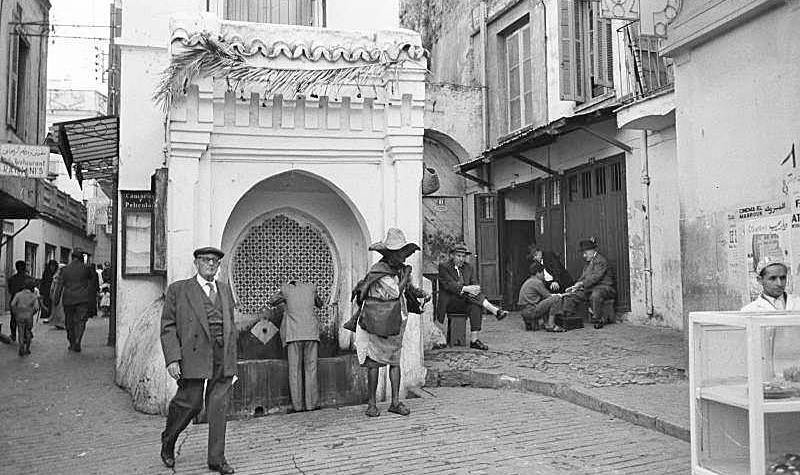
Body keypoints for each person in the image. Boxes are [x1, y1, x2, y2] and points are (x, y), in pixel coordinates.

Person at [160, 246, 236, 474]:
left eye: (215, 261)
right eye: (206, 260)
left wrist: (233, 359)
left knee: (218, 407)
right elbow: (168, 327)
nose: (211, 264)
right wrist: (172, 359)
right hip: (193, 354)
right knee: (190, 403)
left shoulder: (225, 290)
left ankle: (216, 459)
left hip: (222, 355)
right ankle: (169, 439)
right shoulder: (179, 290)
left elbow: (231, 325)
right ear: (196, 263)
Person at [353, 228, 429, 418]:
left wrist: (421, 294)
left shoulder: (399, 270)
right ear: (389, 254)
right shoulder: (379, 271)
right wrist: (406, 275)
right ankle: (372, 404)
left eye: (404, 254)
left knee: (395, 361)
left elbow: (408, 289)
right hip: (376, 321)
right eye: (399, 254)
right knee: (373, 363)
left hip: (395, 321)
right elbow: (395, 292)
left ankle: (395, 402)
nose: (403, 258)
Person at [436, 242, 508, 350]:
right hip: (451, 302)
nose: (461, 259)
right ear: (452, 256)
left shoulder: (468, 267)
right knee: (470, 294)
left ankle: (474, 340)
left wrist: (475, 288)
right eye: (458, 256)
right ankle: (494, 310)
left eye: (463, 256)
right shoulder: (444, 267)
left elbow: (475, 283)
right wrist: (466, 289)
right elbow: (450, 285)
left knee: (476, 306)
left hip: (466, 300)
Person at [268, 280, 323, 413]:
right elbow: (320, 304)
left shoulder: (286, 289)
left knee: (295, 370)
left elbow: (272, 301)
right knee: (311, 369)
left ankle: (297, 406)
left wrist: (283, 295)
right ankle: (311, 405)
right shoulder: (311, 287)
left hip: (294, 334)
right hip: (311, 333)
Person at [564, 239, 616, 329]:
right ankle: (567, 318)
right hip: (590, 288)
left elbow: (595, 277)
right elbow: (583, 277)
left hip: (605, 287)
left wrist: (581, 284)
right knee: (572, 295)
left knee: (596, 295)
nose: (584, 256)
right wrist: (575, 287)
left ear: (592, 250)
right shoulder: (588, 263)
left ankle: (598, 319)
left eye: (585, 253)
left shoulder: (601, 261)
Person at [55, 249, 94, 352]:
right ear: (81, 258)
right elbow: (91, 283)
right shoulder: (86, 268)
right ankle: (78, 340)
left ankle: (72, 341)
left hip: (68, 299)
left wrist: (56, 299)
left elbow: (60, 285)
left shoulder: (65, 269)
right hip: (83, 298)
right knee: (81, 321)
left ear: (72, 258)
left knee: (69, 321)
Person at [518, 262, 566, 332]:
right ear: (538, 273)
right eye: (543, 273)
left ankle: (544, 323)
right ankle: (551, 325)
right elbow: (548, 296)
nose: (544, 275)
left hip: (524, 311)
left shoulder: (528, 281)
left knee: (544, 301)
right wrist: (561, 295)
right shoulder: (537, 282)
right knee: (556, 299)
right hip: (531, 311)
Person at [11, 278, 39, 356]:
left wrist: (15, 312)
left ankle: (21, 347)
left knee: (21, 332)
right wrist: (32, 313)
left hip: (19, 315)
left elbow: (12, 304)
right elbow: (36, 307)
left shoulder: (18, 294)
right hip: (29, 316)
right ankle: (27, 349)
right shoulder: (33, 296)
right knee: (28, 332)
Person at [6, 260, 30, 341]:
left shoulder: (11, 279)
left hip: (15, 301)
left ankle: (13, 335)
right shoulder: (29, 279)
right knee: (26, 319)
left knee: (13, 319)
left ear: (16, 268)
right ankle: (25, 336)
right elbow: (32, 290)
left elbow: (10, 291)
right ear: (24, 268)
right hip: (26, 302)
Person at [49, 264, 66, 330]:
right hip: (59, 293)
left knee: (60, 309)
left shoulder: (57, 276)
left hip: (60, 293)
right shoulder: (57, 276)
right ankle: (59, 323)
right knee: (58, 309)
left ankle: (60, 323)